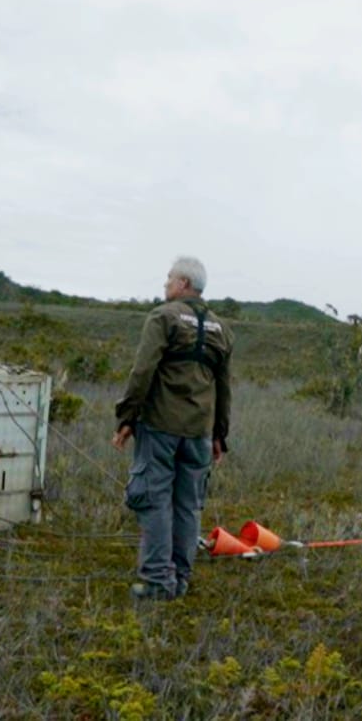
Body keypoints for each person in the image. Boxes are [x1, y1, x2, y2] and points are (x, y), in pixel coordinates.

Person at [112, 256, 234, 601]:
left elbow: (142, 371)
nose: (164, 284)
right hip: (200, 432)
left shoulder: (162, 318)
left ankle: (156, 582)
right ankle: (179, 578)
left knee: (154, 501)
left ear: (183, 284)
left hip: (161, 427)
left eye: (168, 279)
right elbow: (224, 387)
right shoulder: (222, 329)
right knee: (187, 505)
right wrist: (219, 435)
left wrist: (127, 418)